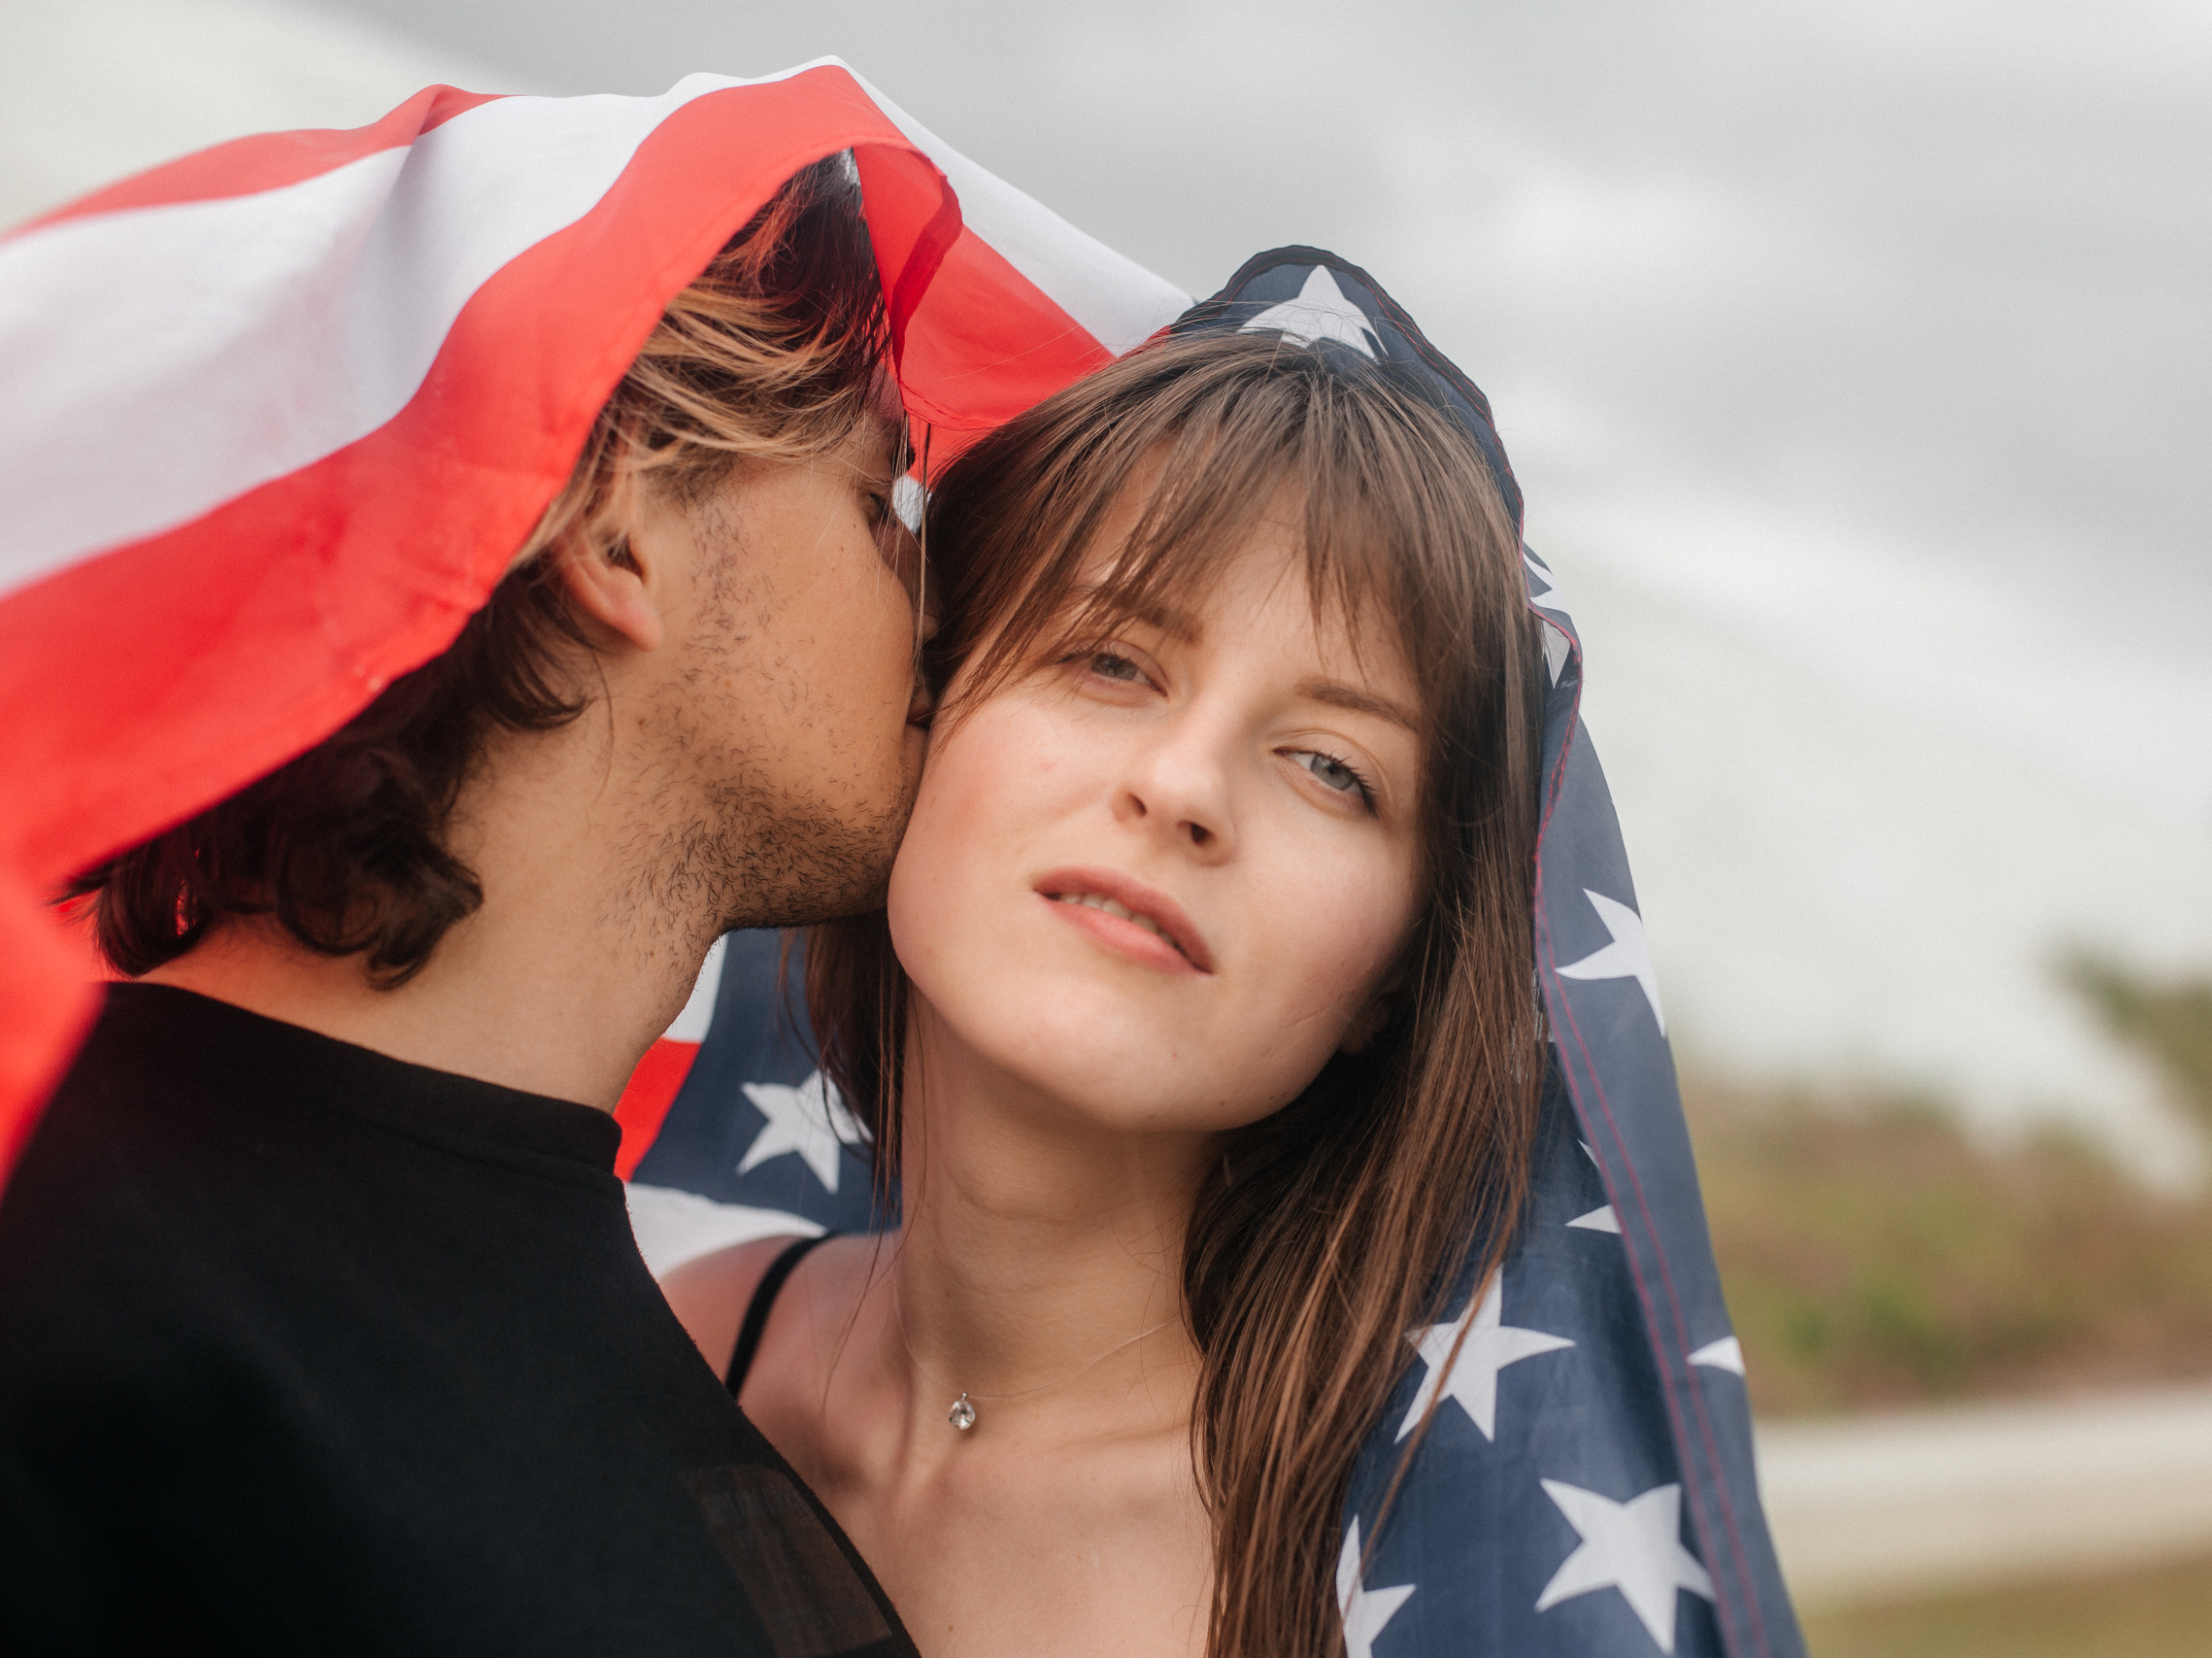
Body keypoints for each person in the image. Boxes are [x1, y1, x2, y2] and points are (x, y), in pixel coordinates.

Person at [0, 156, 927, 1655]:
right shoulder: (46, 1236)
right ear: (619, 519)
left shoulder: (712, 1440)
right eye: (877, 500)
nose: (936, 603)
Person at [663, 306, 1549, 1657]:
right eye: (1111, 660)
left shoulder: (1373, 1589)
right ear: (921, 703)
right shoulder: (665, 1352)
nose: (1183, 787)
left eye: (1331, 767)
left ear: (1396, 975)